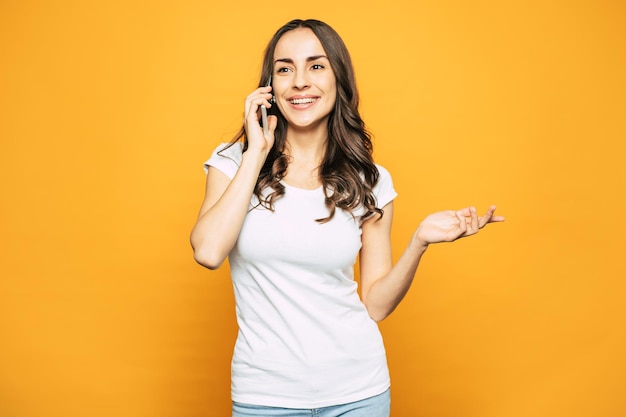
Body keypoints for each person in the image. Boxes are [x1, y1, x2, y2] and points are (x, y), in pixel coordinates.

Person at [190, 18, 504, 417]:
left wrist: (418, 243)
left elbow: (374, 304)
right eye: (285, 68)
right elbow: (208, 250)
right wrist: (255, 152)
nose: (300, 81)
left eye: (316, 66)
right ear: (269, 87)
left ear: (339, 79)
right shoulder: (233, 162)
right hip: (266, 395)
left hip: (358, 392)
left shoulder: (369, 180)